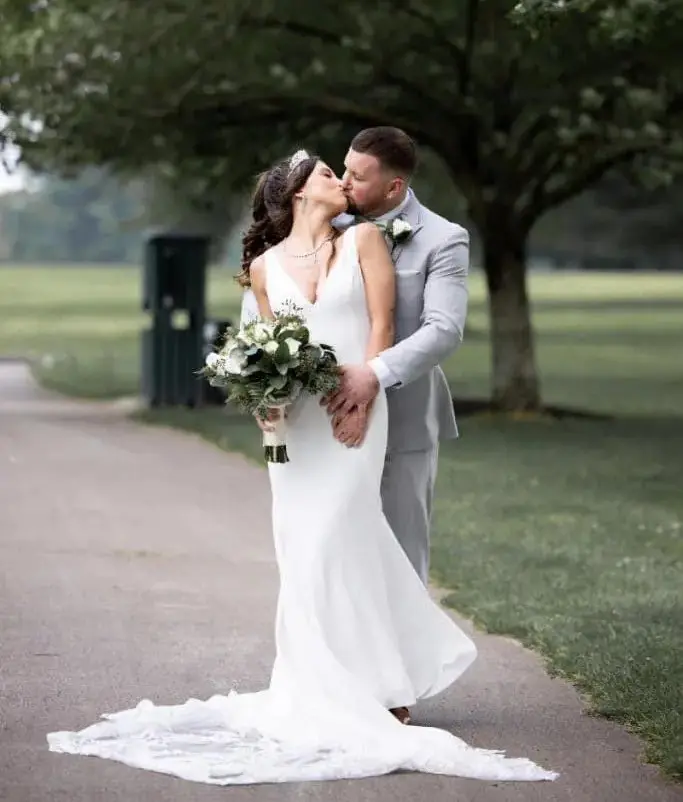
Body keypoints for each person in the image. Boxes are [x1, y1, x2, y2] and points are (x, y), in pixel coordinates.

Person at [47, 146, 557, 786]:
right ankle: (322, 683)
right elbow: (251, 346)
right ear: (298, 196)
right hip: (294, 433)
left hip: (356, 413)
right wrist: (265, 406)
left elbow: (380, 327)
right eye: (326, 173)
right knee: (305, 546)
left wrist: (364, 398)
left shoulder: (367, 240)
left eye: (345, 172)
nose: (339, 180)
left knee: (343, 534)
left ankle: (374, 680)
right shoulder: (263, 268)